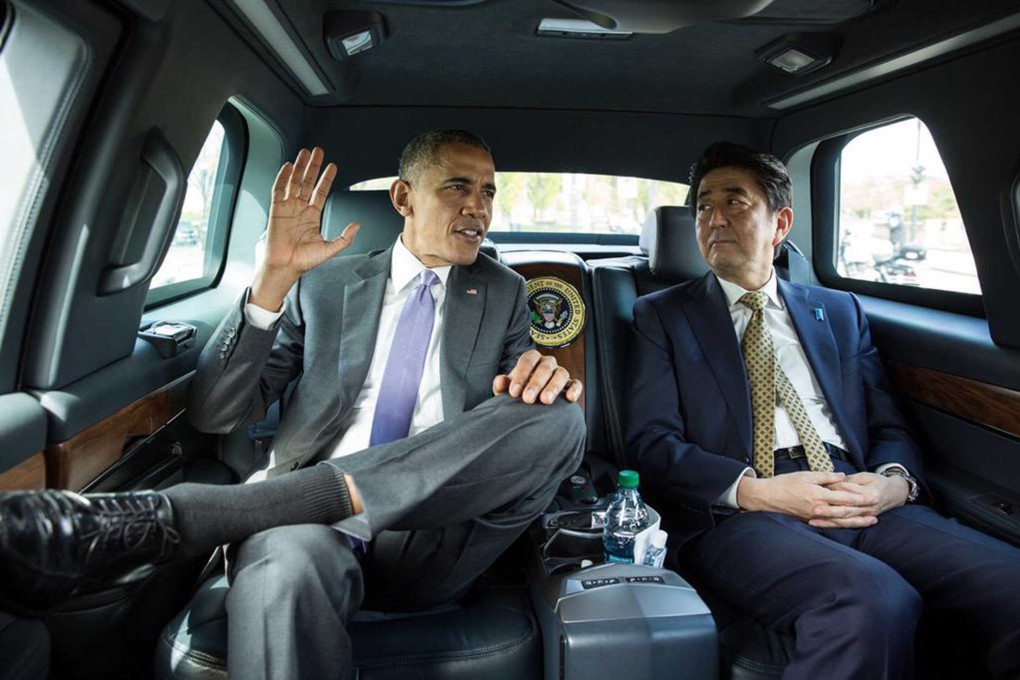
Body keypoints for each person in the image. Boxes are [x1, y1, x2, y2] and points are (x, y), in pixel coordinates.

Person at [0, 130, 586, 679]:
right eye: (458, 186)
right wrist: (272, 282)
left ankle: (198, 516)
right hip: (304, 531)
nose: (478, 207)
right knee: (284, 563)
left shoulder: (505, 289)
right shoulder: (327, 283)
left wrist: (538, 377)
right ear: (404, 197)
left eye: (488, 192)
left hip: (434, 534)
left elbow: (515, 407)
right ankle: (281, 507)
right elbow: (217, 414)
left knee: (560, 419)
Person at [626, 141, 1020, 679]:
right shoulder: (662, 315)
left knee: (1009, 582)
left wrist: (892, 483)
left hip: (854, 492)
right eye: (703, 206)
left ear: (780, 221)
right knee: (872, 600)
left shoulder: (838, 311)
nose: (714, 218)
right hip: (743, 511)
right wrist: (755, 491)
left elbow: (887, 424)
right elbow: (651, 442)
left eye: (735, 202)